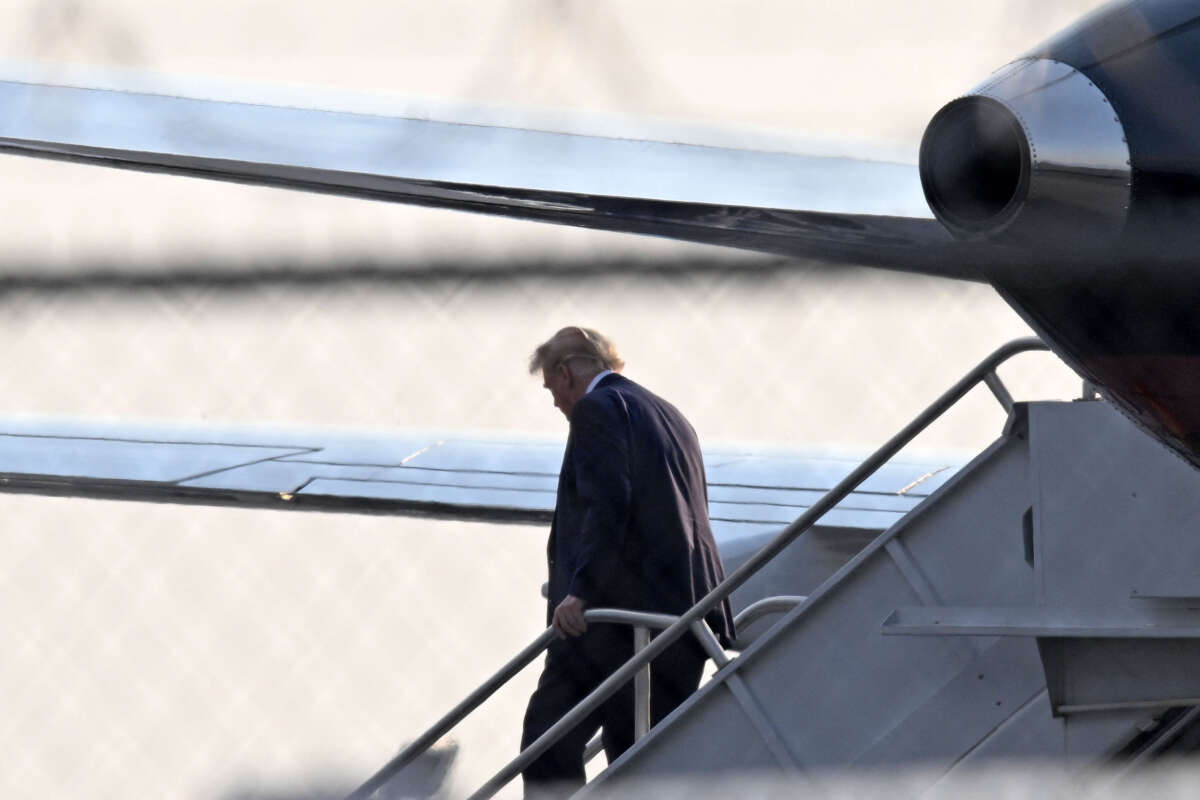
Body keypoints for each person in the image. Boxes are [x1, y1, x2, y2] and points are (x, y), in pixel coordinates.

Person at [520, 326, 734, 797]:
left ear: (565, 372)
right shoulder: (669, 414)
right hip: (685, 614)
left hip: (614, 619)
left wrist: (581, 592)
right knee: (638, 762)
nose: (555, 402)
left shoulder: (598, 409)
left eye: (551, 388)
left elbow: (608, 503)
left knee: (546, 740)